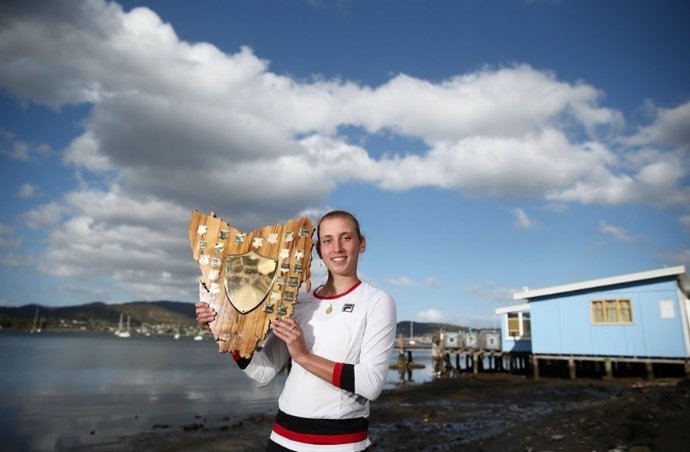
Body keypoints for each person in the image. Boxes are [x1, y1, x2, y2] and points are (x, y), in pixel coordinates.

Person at [195, 210, 397, 451]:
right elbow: (263, 373)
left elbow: (371, 384)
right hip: (282, 439)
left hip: (340, 443)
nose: (337, 248)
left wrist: (303, 356)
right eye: (328, 240)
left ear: (361, 244)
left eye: (346, 237)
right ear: (319, 250)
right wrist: (224, 331)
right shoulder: (297, 300)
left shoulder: (376, 301)